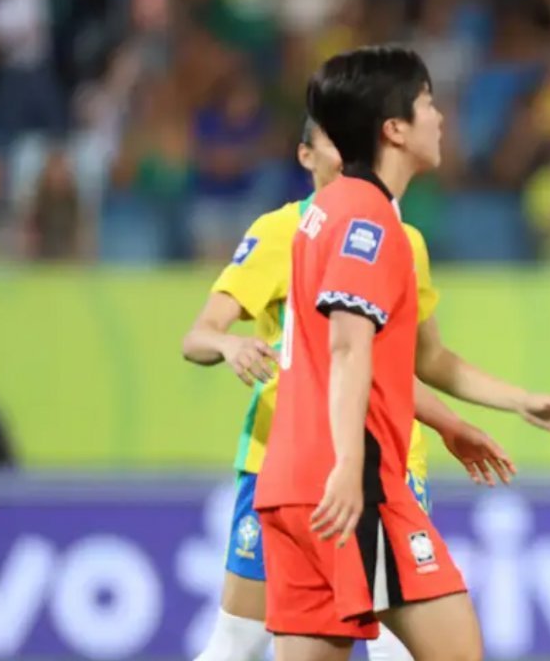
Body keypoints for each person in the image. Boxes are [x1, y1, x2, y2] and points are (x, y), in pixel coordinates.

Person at [255, 45, 550, 661]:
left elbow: (401, 361)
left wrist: (509, 405)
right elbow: (347, 348)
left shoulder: (324, 211)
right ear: (395, 129)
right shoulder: (369, 221)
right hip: (353, 483)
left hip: (289, 484)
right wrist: (349, 465)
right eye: (428, 103)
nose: (441, 117)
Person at [180, 117, 520, 661]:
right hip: (284, 463)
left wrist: (492, 411)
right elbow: (198, 336)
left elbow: (407, 363)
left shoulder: (403, 238)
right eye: (331, 143)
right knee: (236, 643)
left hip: (386, 464)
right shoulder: (280, 232)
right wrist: (227, 344)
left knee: (394, 645)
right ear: (305, 156)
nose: (345, 154)